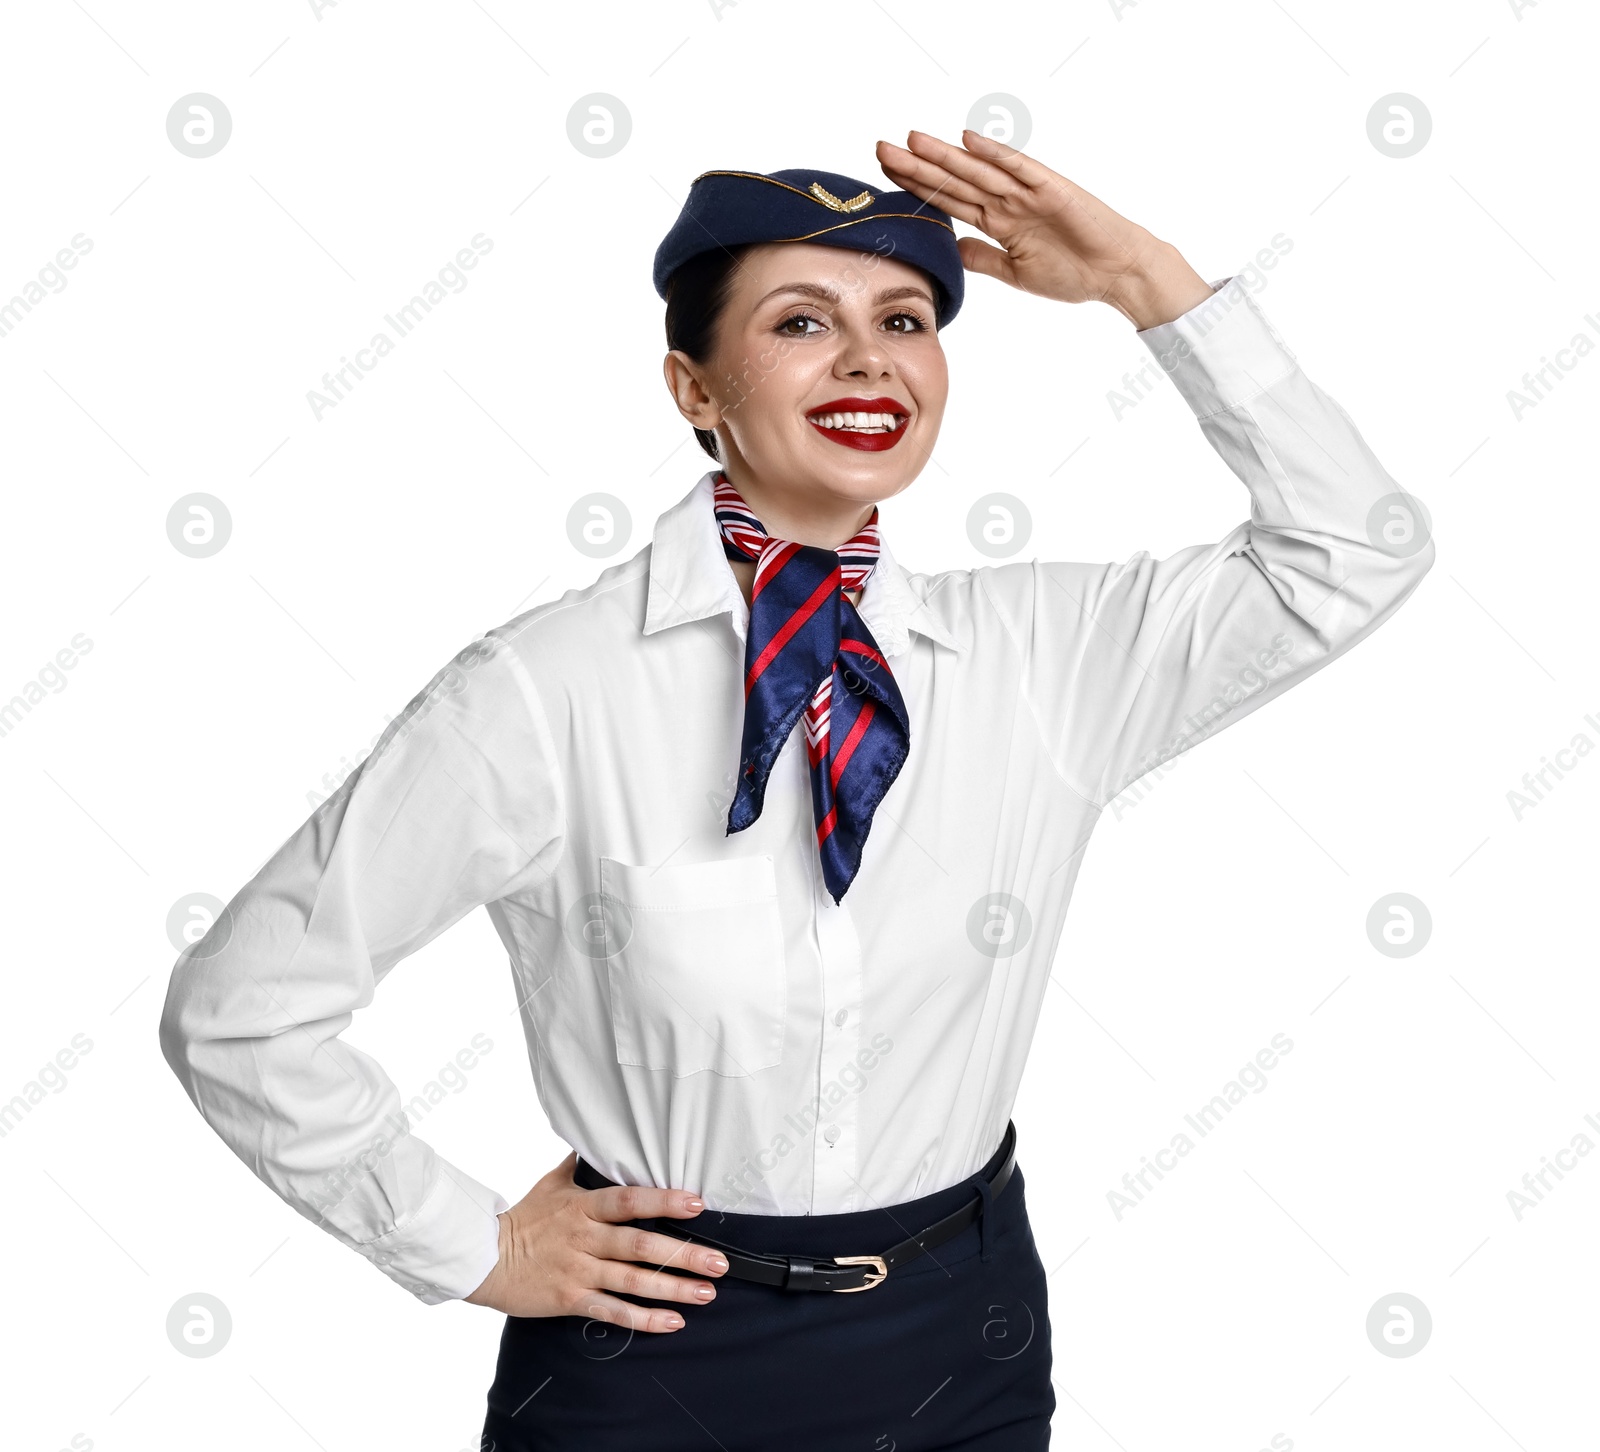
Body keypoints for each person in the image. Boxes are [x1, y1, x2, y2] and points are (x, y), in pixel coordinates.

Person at [158, 130, 1435, 1450]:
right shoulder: (549, 690)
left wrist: (1146, 281)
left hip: (962, 1338)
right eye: (802, 322)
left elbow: (1351, 553)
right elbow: (245, 1008)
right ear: (692, 387)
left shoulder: (1047, 662)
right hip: (646, 1354)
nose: (870, 356)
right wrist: (463, 1241)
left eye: (904, 319)